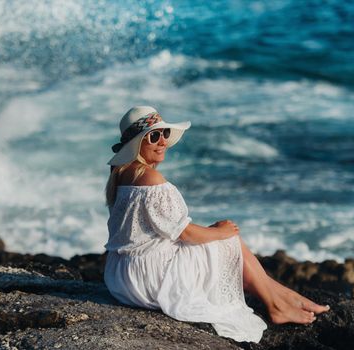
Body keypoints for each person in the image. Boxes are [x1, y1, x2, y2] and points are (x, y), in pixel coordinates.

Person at [103, 106, 329, 343]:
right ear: (137, 143)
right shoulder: (150, 178)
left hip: (122, 275)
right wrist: (222, 232)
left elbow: (163, 230)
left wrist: (216, 232)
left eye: (164, 134)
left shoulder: (122, 175)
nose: (162, 142)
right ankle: (277, 304)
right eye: (154, 136)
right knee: (229, 239)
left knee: (220, 236)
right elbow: (186, 233)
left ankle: (284, 297)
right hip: (148, 279)